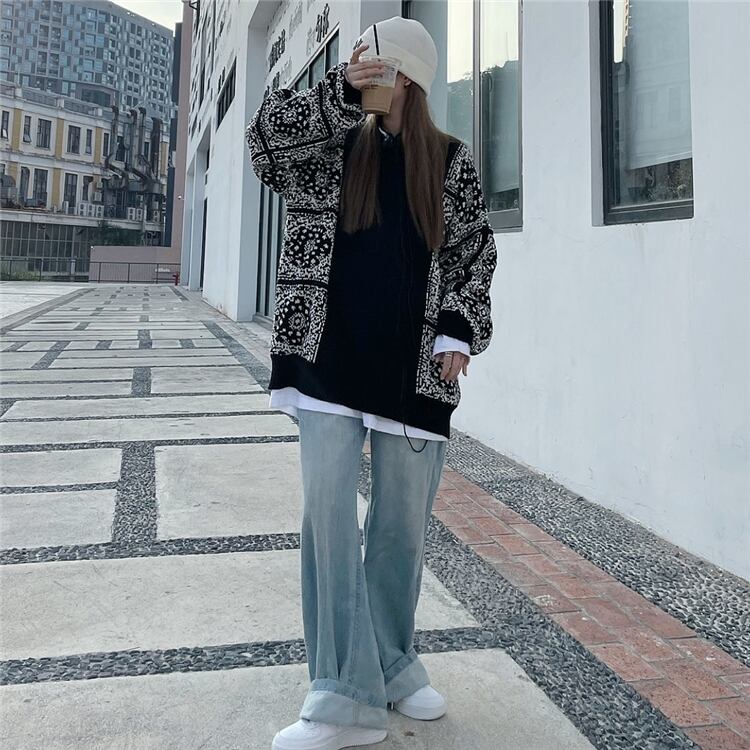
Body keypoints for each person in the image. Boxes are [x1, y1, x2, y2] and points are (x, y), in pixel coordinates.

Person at [246, 16, 497, 750]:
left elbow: (475, 251)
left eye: (378, 64)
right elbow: (263, 144)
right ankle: (340, 696)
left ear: (409, 79)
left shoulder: (450, 160)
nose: (366, 71)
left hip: (413, 372)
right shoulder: (329, 141)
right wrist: (336, 95)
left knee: (399, 527)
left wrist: (459, 329)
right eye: (360, 62)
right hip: (326, 361)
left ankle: (391, 664)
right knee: (326, 513)